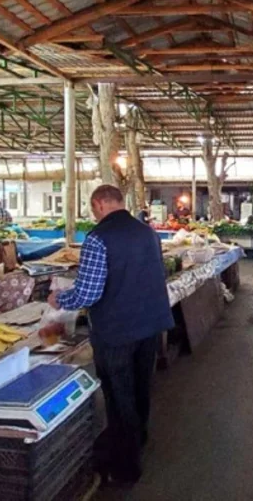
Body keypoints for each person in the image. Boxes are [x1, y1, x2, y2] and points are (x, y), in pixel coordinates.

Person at [48, 185, 173, 487]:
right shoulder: (148, 233)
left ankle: (126, 468)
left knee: (119, 398)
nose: (94, 214)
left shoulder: (97, 238)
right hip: (150, 324)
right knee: (141, 387)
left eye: (93, 209)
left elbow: (89, 292)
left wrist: (59, 300)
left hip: (117, 331)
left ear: (99, 204)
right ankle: (138, 439)